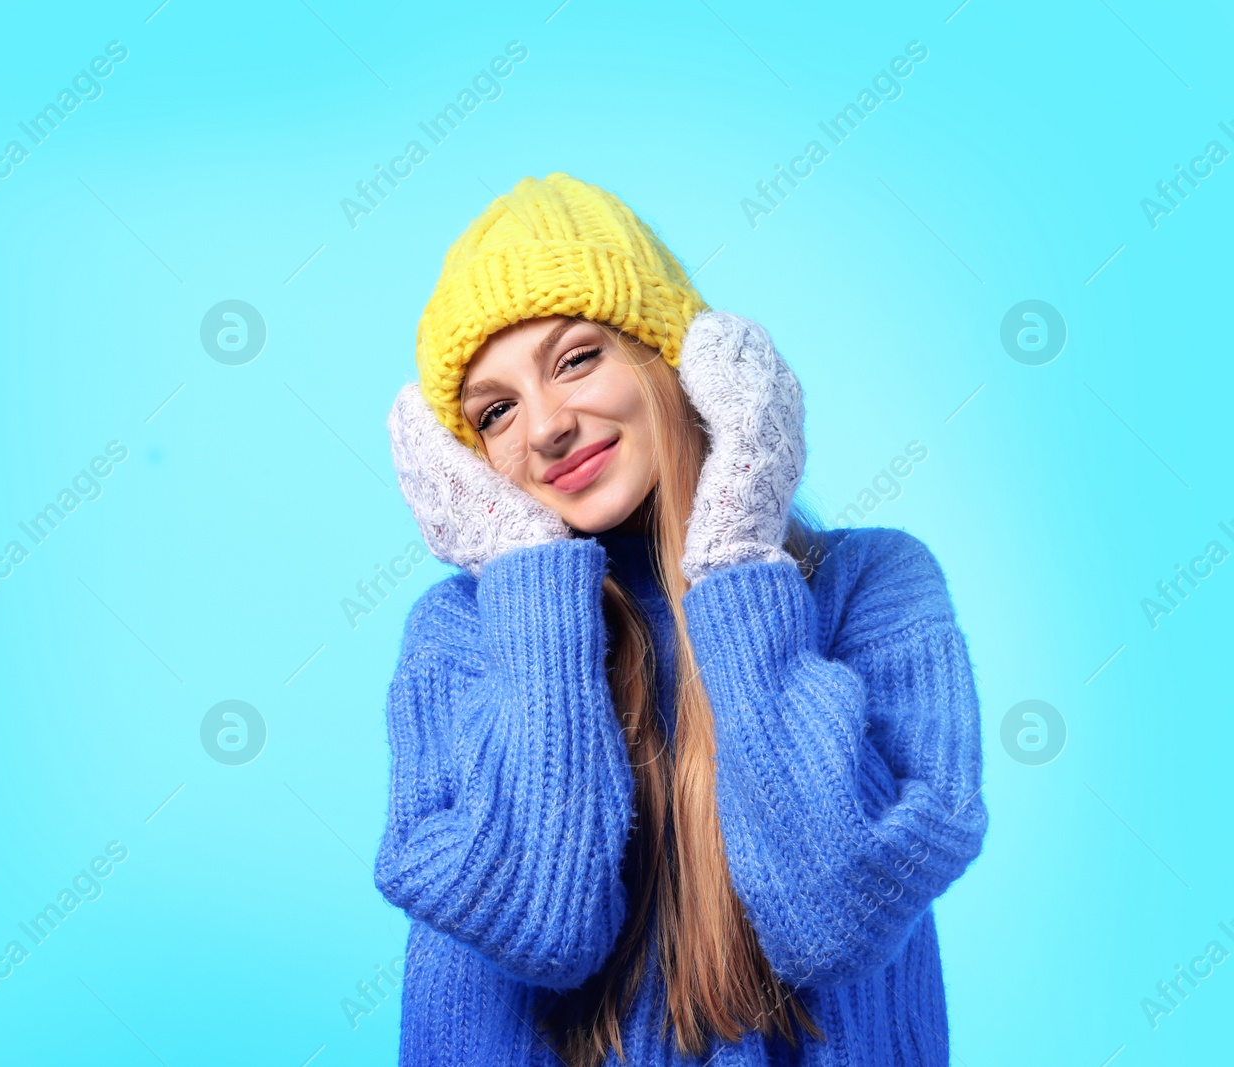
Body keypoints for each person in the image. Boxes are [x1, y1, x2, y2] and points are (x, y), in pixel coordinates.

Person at [373, 172, 988, 1066]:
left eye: (577, 358)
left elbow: (835, 916)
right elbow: (543, 922)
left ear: (676, 361)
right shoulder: (459, 636)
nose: (545, 427)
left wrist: (736, 550)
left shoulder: (872, 586)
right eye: (495, 411)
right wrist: (529, 580)